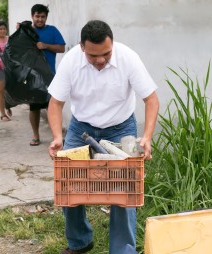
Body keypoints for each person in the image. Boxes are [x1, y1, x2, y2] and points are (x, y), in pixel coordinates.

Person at [47, 20, 159, 254]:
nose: (100, 60)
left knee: (124, 190)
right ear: (81, 47)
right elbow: (56, 103)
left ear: (113, 44)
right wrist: (58, 137)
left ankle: (123, 250)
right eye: (93, 55)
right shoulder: (70, 61)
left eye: (106, 54)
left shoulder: (128, 58)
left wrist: (147, 137)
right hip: (81, 127)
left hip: (120, 127)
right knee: (69, 184)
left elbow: (151, 99)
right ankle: (80, 242)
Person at [28, 4, 65, 146]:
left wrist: (45, 45)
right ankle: (36, 136)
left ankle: (56, 137)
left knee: (53, 106)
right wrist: (20, 29)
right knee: (35, 107)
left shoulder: (52, 30)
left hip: (50, 76)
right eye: (37, 16)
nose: (40, 19)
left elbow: (61, 48)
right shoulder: (27, 31)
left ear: (46, 18)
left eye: (43, 16)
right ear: (32, 16)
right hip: (32, 76)